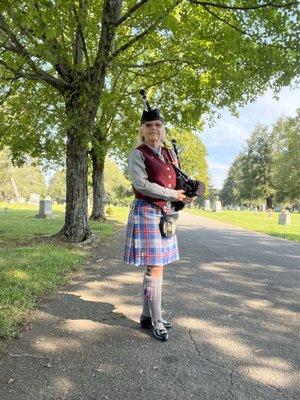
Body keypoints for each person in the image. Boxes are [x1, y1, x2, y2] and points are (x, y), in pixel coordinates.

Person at [124, 95, 191, 341]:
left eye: (158, 125)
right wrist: (173, 193)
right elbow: (141, 184)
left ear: (163, 130)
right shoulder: (137, 154)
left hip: (165, 213)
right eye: (149, 125)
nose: (154, 128)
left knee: (156, 267)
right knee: (156, 268)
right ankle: (157, 319)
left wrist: (184, 195)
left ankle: (146, 315)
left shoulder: (167, 154)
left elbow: (178, 182)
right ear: (142, 130)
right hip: (146, 211)